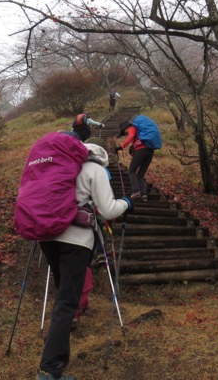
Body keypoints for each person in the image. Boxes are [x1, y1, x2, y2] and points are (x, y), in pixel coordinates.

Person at [36, 139, 132, 380]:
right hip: (76, 241)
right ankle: (50, 370)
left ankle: (54, 361)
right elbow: (108, 209)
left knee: (64, 299)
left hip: (48, 238)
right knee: (68, 302)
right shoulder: (95, 169)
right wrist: (127, 203)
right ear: (100, 156)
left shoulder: (58, 165)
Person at [115, 119, 154, 201]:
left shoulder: (131, 128)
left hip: (141, 151)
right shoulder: (140, 133)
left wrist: (121, 146)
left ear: (126, 127)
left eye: (124, 131)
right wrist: (133, 147)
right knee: (140, 174)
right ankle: (144, 194)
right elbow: (135, 139)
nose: (125, 133)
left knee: (131, 171)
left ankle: (136, 191)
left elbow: (131, 136)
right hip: (150, 152)